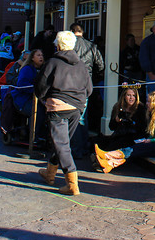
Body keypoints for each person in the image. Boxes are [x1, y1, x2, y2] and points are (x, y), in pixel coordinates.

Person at [34, 31, 93, 196]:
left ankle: (72, 184)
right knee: (62, 143)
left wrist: (44, 98)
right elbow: (89, 89)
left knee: (62, 144)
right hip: (77, 108)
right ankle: (50, 173)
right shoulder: (81, 65)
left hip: (57, 106)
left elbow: (40, 86)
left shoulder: (52, 63)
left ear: (58, 45)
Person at [93, 90, 155, 172]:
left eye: (149, 102)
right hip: (153, 142)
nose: (147, 104)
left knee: (135, 149)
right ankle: (109, 164)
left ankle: (107, 155)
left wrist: (151, 140)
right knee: (132, 146)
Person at [69, 23, 104, 157]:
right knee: (83, 116)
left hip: (70, 83)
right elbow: (101, 65)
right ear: (82, 32)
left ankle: (76, 149)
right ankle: (84, 146)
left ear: (71, 32)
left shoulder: (70, 45)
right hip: (86, 83)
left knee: (74, 117)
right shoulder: (91, 46)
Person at [105, 84, 147, 149]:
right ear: (124, 96)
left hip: (134, 138)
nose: (131, 98)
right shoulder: (117, 107)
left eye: (133, 95)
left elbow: (143, 128)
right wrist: (117, 119)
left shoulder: (140, 108)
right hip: (119, 136)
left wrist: (131, 123)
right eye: (128, 95)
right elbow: (111, 127)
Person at [11, 49, 43, 117]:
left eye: (42, 55)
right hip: (23, 99)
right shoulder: (27, 69)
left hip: (36, 98)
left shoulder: (43, 69)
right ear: (32, 58)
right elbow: (22, 85)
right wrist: (36, 90)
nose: (41, 57)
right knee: (38, 112)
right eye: (38, 55)